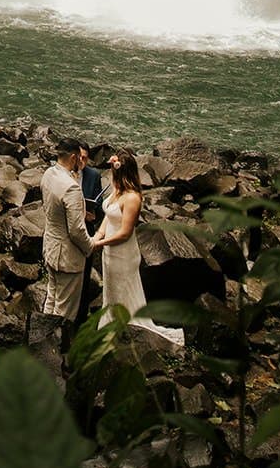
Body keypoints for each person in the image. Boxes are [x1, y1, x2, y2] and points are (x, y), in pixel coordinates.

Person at [91, 148, 184, 347]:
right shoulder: (116, 190)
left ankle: (130, 331)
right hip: (109, 251)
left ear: (122, 172)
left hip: (123, 252)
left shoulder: (132, 198)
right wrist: (98, 235)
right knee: (111, 291)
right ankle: (110, 326)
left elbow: (125, 233)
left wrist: (100, 243)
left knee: (123, 290)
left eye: (114, 170)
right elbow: (108, 216)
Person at [41, 135, 95, 332]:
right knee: (64, 311)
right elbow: (76, 230)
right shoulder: (71, 187)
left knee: (51, 300)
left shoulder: (48, 174)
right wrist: (90, 247)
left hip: (51, 247)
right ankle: (56, 352)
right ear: (73, 157)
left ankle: (40, 341)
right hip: (68, 257)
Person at [76, 141, 104, 325]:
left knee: (84, 277)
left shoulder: (93, 175)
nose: (82, 161)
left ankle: (80, 318)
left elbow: (100, 203)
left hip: (87, 229)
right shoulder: (61, 173)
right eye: (79, 157)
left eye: (85, 158)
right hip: (68, 231)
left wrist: (94, 213)